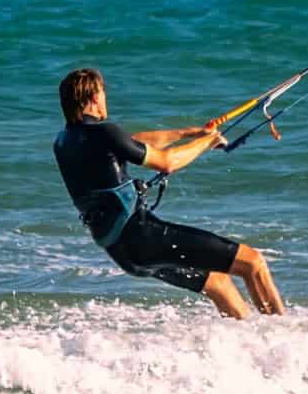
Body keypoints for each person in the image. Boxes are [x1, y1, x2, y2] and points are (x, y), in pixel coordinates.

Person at [52, 67, 285, 319]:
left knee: (219, 284)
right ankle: (283, 337)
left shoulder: (66, 141)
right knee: (252, 262)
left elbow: (134, 141)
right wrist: (204, 143)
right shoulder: (104, 133)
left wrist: (188, 134)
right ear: (96, 97)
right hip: (143, 236)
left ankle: (252, 346)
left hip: (123, 251)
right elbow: (166, 162)